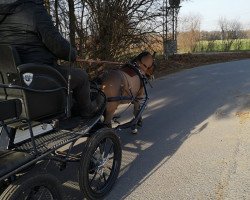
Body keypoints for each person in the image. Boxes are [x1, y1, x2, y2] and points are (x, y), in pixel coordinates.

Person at [0, 0, 100, 118]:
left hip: (9, 81)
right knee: (81, 76)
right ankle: (86, 110)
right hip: (38, 75)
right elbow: (55, 43)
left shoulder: (3, 13)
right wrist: (72, 54)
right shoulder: (34, 10)